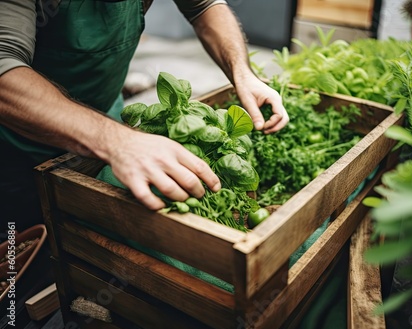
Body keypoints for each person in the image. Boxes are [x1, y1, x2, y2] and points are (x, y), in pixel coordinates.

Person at [0, 0, 289, 234]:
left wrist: (242, 72)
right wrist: (115, 140)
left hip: (106, 115)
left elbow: (203, 5)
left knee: (97, 234)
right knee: (23, 250)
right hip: (19, 143)